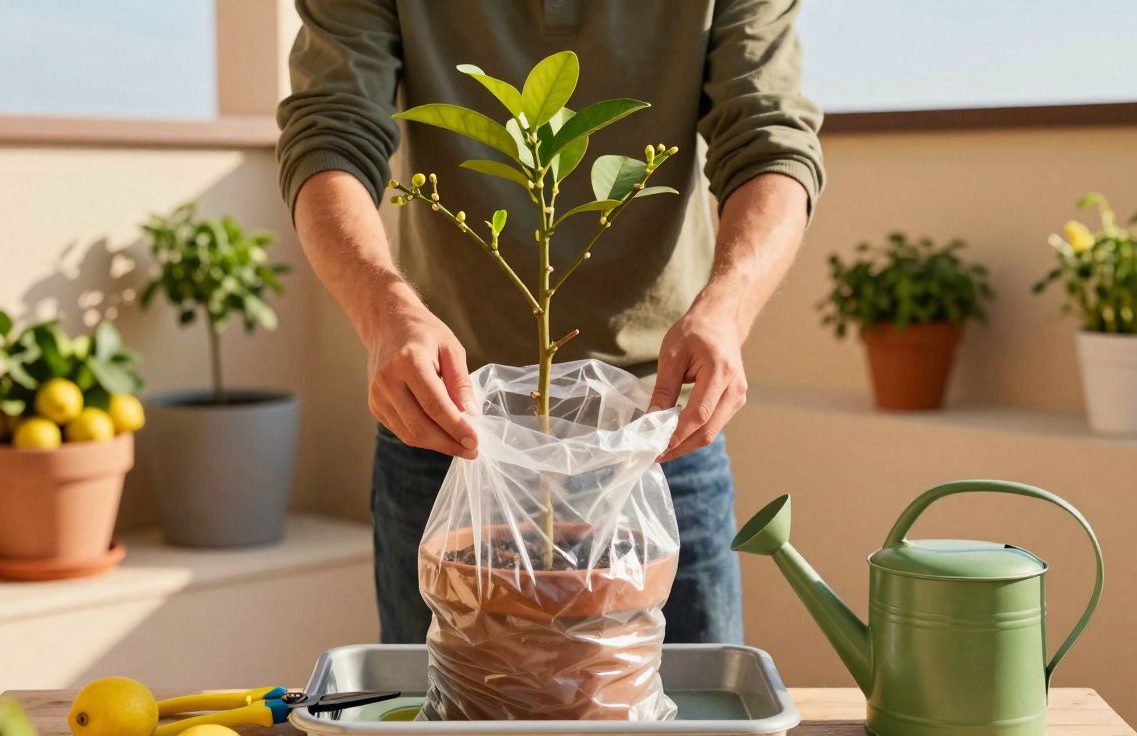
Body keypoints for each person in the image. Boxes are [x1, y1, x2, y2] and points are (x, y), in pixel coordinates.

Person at [278, 0, 824, 644]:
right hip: (448, 420)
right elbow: (331, 132)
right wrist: (386, 311)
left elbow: (769, 136)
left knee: (688, 691)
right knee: (442, 690)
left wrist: (728, 307)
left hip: (654, 427)